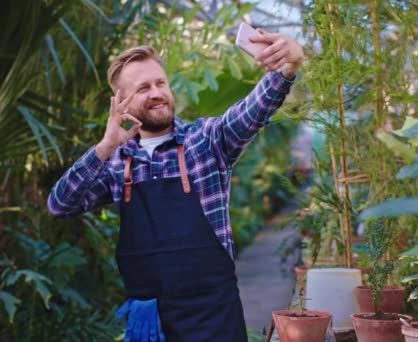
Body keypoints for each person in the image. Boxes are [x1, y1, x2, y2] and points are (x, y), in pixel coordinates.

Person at [47, 27, 303, 342]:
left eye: (160, 83)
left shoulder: (208, 141)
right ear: (122, 104)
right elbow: (60, 204)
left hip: (214, 318)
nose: (156, 92)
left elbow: (255, 109)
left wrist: (288, 68)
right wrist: (103, 148)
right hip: (151, 324)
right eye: (143, 88)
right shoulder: (117, 164)